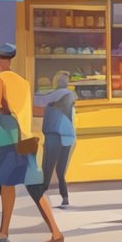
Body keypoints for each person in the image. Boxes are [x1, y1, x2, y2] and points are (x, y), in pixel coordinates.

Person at [0, 44, 64, 242]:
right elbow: (26, 110)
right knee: (30, 185)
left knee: (6, 184)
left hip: (10, 140)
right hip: (27, 139)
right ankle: (51, 231)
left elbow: (0, 112)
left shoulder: (0, 81)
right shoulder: (23, 82)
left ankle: (7, 232)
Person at [35, 71, 77, 209]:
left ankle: (40, 197)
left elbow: (38, 101)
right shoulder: (69, 96)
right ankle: (65, 197)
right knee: (60, 170)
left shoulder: (59, 94)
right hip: (67, 136)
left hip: (54, 135)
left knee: (47, 168)